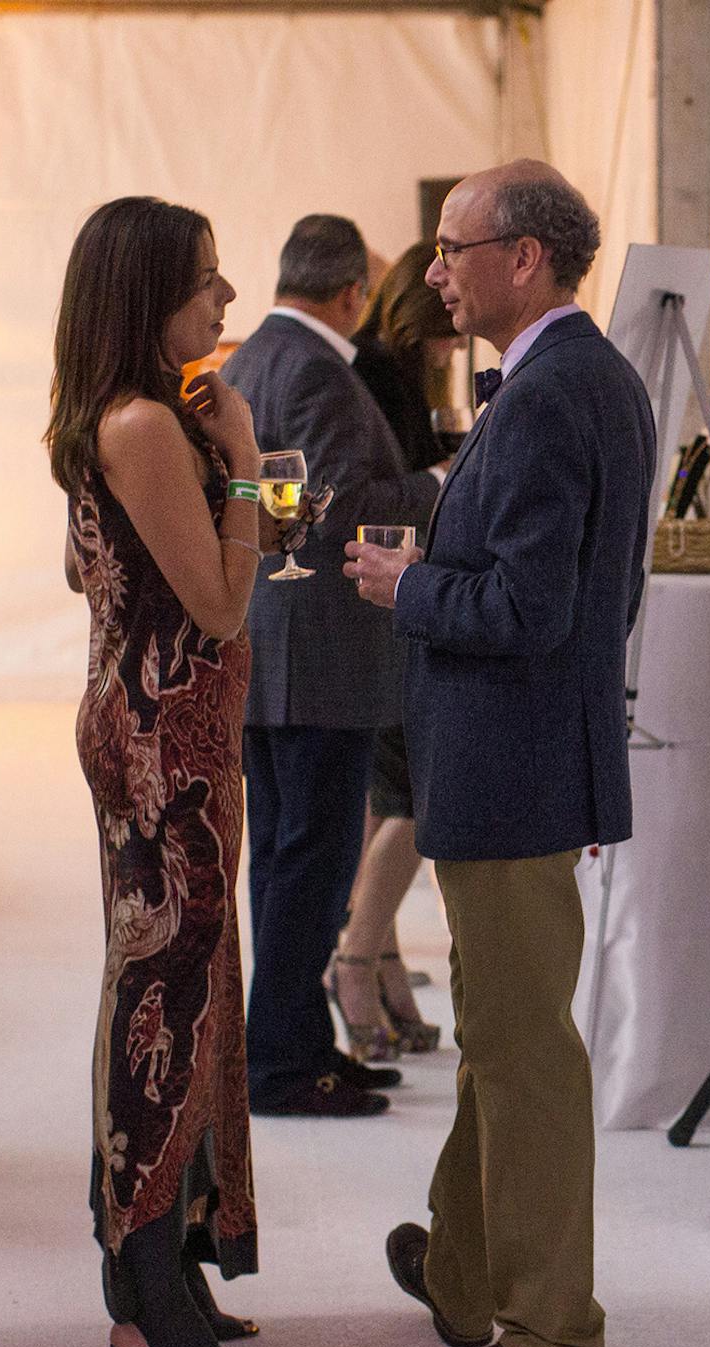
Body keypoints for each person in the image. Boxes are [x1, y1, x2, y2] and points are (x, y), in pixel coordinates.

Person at [344, 159, 653, 1347]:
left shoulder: (544, 397)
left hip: (510, 766)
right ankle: (469, 1270)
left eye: (452, 246)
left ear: (524, 256)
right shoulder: (583, 378)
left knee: (525, 1056)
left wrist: (404, 588)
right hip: (523, 762)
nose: (433, 270)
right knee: (500, 1038)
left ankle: (547, 1335)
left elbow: (531, 608)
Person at [48, 195, 273, 1347]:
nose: (226, 301)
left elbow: (91, 568)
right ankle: (145, 1282)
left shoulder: (120, 417)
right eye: (206, 282)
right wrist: (244, 469)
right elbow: (227, 604)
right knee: (167, 994)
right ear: (147, 298)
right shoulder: (144, 424)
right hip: (165, 747)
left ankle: (159, 1266)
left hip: (157, 728)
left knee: (176, 981)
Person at [221, 215, 441, 1112]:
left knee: (282, 861)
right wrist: (436, 482)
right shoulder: (320, 369)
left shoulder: (245, 362)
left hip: (266, 645)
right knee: (309, 865)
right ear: (352, 292)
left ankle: (294, 1044)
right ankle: (279, 1062)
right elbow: (341, 506)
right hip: (319, 654)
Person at [329, 242, 467, 1057]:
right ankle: (354, 959)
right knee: (414, 798)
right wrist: (444, 475)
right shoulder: (382, 372)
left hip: (391, 597)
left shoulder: (394, 369)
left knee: (393, 798)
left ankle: (377, 962)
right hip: (389, 600)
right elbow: (388, 486)